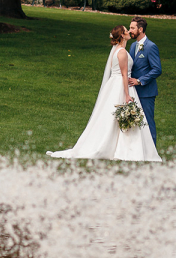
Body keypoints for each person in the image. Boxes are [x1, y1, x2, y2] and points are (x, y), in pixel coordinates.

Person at [47, 25, 161, 162]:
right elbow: (125, 75)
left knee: (111, 116)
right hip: (121, 86)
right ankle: (124, 148)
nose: (129, 32)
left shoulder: (117, 51)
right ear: (122, 35)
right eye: (126, 30)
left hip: (114, 85)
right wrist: (127, 95)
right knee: (120, 115)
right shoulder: (122, 52)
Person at [126, 17, 162, 145]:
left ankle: (152, 152)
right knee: (135, 121)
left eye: (132, 28)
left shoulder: (151, 47)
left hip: (147, 92)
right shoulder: (133, 45)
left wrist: (140, 80)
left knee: (147, 121)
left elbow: (157, 69)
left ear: (140, 29)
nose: (130, 30)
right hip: (133, 91)